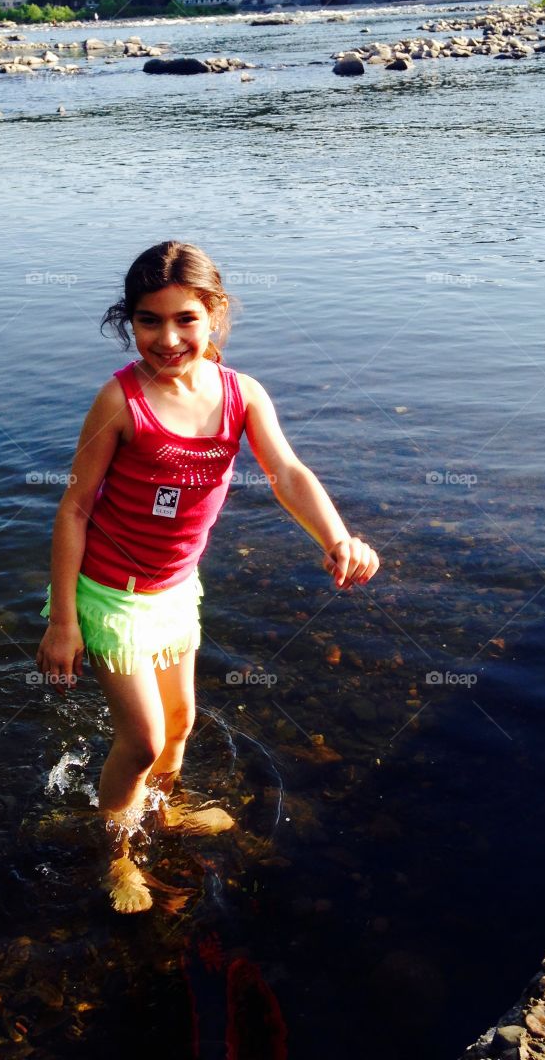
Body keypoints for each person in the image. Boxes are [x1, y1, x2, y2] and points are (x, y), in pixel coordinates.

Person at [35, 241, 381, 913]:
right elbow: (74, 506)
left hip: (173, 590)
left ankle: (164, 812)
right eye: (148, 321)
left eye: (185, 319)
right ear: (128, 322)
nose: (167, 339)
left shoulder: (240, 393)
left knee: (183, 721)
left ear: (215, 314)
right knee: (141, 741)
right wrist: (62, 621)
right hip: (109, 594)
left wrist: (337, 537)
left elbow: (287, 475)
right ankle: (119, 856)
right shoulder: (120, 399)